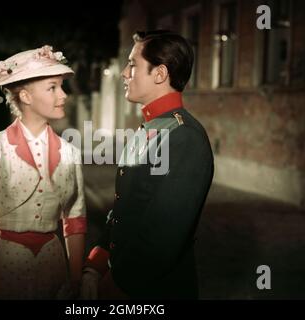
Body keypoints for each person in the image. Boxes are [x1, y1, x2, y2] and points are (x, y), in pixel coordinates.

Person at [80, 30, 214, 299]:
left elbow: (163, 236)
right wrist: (95, 265)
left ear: (160, 74)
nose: (124, 73)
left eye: (133, 64)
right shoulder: (147, 129)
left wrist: (115, 284)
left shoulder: (184, 137)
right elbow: (124, 209)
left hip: (152, 290)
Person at [0, 45, 86, 299]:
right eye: (52, 87)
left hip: (54, 264)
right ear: (26, 96)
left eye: (62, 86)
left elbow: (75, 222)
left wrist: (75, 282)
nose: (63, 95)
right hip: (4, 264)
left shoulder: (71, 153)